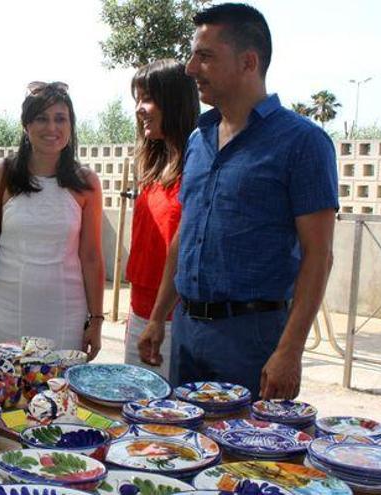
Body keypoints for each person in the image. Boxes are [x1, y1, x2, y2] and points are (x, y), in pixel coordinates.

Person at [138, 3, 338, 400]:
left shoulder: (302, 143)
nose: (191, 68)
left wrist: (290, 350)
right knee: (183, 448)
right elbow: (185, 234)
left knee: (245, 459)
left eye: (205, 56)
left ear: (249, 62)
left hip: (252, 339)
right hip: (188, 331)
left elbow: (319, 255)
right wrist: (159, 317)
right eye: (194, 55)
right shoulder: (199, 140)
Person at [0, 81, 104, 359]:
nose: (52, 128)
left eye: (60, 119)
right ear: (26, 126)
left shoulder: (87, 182)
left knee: (58, 398)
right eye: (42, 118)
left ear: (71, 125)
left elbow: (90, 257)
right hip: (3, 316)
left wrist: (97, 320)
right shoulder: (1, 175)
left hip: (65, 318)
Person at [124, 60, 199, 379]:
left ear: (175, 102)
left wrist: (157, 318)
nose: (140, 109)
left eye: (148, 99)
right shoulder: (153, 167)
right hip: (140, 313)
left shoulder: (197, 165)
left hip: (170, 321)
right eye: (137, 100)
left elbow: (183, 250)